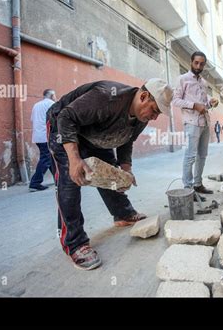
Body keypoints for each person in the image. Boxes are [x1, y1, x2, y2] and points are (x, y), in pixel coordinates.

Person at [47, 79, 172, 270]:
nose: (155, 117)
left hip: (95, 133)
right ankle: (75, 243)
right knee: (71, 181)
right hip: (63, 126)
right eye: (155, 110)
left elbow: (126, 141)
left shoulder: (142, 117)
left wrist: (126, 171)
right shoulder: (107, 96)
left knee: (112, 174)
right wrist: (74, 158)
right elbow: (66, 117)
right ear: (144, 96)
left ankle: (123, 214)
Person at [173, 51, 219, 196]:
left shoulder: (204, 83)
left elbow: (204, 105)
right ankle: (188, 189)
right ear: (191, 62)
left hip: (204, 122)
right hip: (191, 123)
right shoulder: (182, 79)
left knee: (202, 155)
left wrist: (211, 103)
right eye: (196, 63)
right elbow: (175, 101)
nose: (198, 66)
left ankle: (198, 184)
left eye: (201, 64)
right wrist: (194, 105)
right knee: (190, 156)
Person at [29, 89, 56, 191]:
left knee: (49, 157)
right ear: (52, 95)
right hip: (46, 136)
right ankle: (35, 183)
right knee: (46, 159)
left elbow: (33, 119)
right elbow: (56, 119)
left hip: (37, 136)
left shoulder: (36, 105)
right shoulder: (52, 104)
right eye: (54, 95)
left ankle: (58, 178)